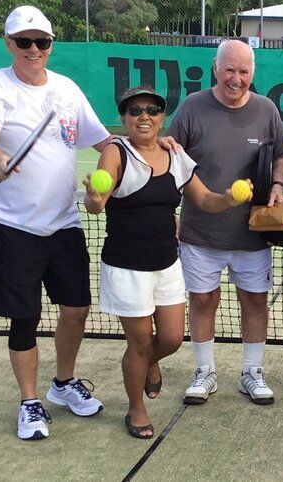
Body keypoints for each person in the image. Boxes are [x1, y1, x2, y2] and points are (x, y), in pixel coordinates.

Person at [0, 5, 109, 441]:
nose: (34, 49)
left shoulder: (67, 90)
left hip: (65, 224)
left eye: (42, 42)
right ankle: (29, 401)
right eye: (24, 42)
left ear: (51, 45)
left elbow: (104, 140)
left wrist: (128, 159)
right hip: (15, 229)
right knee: (24, 319)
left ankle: (63, 383)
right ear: (9, 44)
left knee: (77, 309)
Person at [83, 86, 250, 438]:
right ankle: (136, 409)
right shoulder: (115, 152)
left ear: (162, 118)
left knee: (172, 338)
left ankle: (151, 362)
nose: (144, 116)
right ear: (124, 118)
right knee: (140, 341)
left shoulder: (174, 155)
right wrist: (95, 197)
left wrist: (231, 199)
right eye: (135, 111)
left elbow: (205, 199)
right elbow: (97, 204)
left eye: (152, 110)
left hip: (166, 263)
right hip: (126, 266)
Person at [165, 39, 283, 406]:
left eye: (244, 71)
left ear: (252, 73)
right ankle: (204, 372)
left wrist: (280, 183)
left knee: (255, 301)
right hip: (199, 232)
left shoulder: (266, 110)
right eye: (230, 70)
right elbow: (172, 157)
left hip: (253, 233)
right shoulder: (192, 107)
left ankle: (252, 373)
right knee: (203, 300)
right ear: (215, 70)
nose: (236, 79)